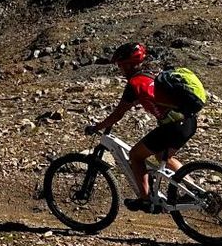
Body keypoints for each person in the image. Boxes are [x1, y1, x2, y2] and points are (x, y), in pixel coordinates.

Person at [84, 42, 201, 210]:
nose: (120, 70)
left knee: (136, 156)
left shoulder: (135, 84)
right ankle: (194, 190)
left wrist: (97, 127)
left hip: (173, 127)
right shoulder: (151, 75)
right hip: (189, 121)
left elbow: (117, 114)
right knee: (163, 156)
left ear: (127, 65)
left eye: (120, 66)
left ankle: (146, 200)